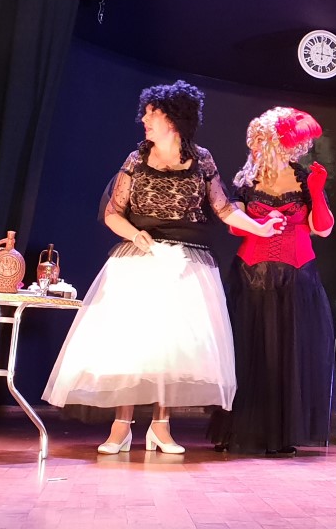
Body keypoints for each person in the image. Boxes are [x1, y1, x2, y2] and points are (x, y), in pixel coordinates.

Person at [42, 80, 284, 455]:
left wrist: (260, 227)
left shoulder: (201, 159)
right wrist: (136, 235)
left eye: (151, 114)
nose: (144, 119)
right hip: (141, 256)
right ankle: (121, 427)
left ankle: (161, 427)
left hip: (187, 261)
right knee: (131, 342)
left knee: (172, 348)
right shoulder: (136, 159)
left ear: (172, 119)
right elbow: (113, 213)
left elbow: (223, 209)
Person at [208, 106, 335, 456]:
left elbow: (323, 229)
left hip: (296, 276)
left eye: (264, 141)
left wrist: (317, 191)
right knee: (249, 353)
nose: (257, 147)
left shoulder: (304, 178)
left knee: (287, 356)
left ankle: (282, 434)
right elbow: (234, 227)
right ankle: (237, 429)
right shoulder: (246, 181)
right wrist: (259, 224)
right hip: (252, 274)